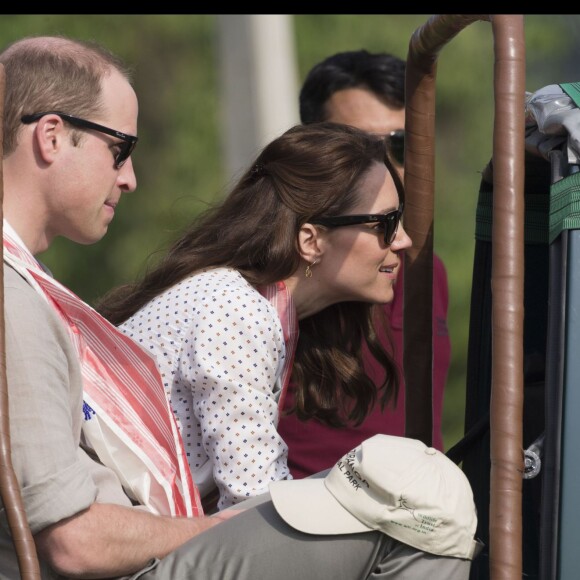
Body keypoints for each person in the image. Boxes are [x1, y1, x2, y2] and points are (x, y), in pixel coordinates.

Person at [0, 35, 477, 580]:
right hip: (131, 565)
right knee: (423, 507)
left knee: (414, 499)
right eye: (120, 149)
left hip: (146, 546)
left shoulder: (29, 288)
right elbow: (72, 541)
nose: (130, 177)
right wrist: (223, 530)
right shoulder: (227, 306)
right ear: (52, 136)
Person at [98, 117, 412, 511]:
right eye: (386, 223)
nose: (404, 240)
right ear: (311, 241)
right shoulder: (236, 309)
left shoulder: (257, 307)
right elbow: (255, 499)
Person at [277, 49, 452, 479]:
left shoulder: (428, 271)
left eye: (400, 144)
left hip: (415, 523)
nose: (385, 165)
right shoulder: (272, 273)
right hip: (302, 522)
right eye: (358, 147)